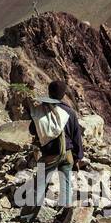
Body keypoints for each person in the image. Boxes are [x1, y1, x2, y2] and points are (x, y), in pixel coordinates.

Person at [28, 79, 85, 208]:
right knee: (66, 185)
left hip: (50, 154)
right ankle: (64, 217)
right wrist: (78, 157)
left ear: (49, 92)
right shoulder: (70, 112)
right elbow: (77, 137)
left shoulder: (41, 110)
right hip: (68, 154)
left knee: (40, 184)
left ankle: (27, 217)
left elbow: (32, 130)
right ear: (63, 94)